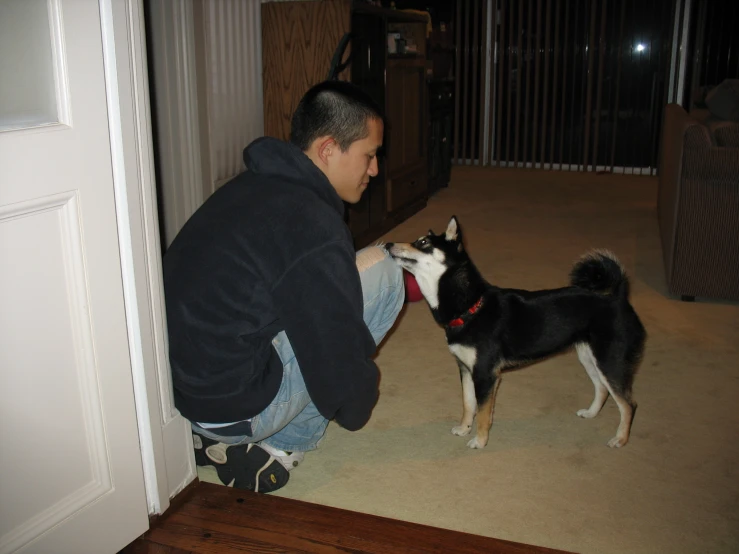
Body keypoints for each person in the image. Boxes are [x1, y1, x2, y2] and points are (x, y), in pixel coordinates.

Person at [162, 80, 405, 493]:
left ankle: (212, 434)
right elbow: (333, 347)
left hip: (185, 396)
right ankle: (282, 445)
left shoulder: (246, 189)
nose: (375, 169)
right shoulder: (312, 224)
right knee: (386, 270)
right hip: (238, 407)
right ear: (328, 150)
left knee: (307, 293)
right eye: (370, 155)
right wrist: (356, 404)